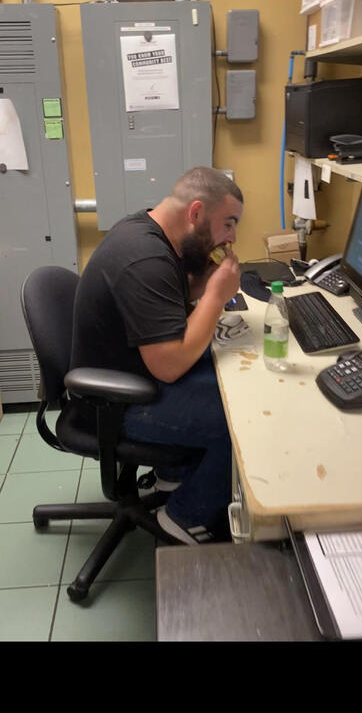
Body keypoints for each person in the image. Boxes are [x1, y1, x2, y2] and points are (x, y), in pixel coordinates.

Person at [70, 166, 244, 544]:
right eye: (228, 224)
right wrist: (216, 295)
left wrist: (203, 282)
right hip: (117, 401)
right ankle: (184, 516)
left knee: (234, 385)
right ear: (196, 213)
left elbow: (170, 307)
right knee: (241, 422)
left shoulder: (151, 231)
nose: (232, 237)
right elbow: (169, 365)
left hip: (132, 374)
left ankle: (175, 474)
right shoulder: (144, 257)